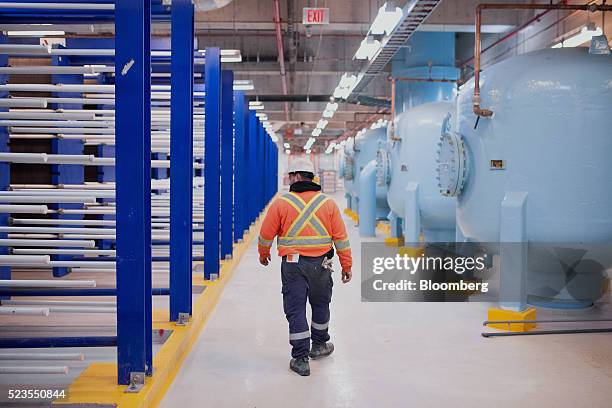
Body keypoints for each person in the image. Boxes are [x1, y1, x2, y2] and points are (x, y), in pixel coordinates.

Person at [258, 158, 353, 376]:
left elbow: (265, 236)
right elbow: (341, 239)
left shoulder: (282, 204)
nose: (290, 180)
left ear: (297, 176)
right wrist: (346, 266)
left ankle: (301, 359)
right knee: (320, 304)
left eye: (291, 176)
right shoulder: (327, 204)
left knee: (295, 308)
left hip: (293, 266)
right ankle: (319, 346)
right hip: (322, 265)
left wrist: (263, 255)